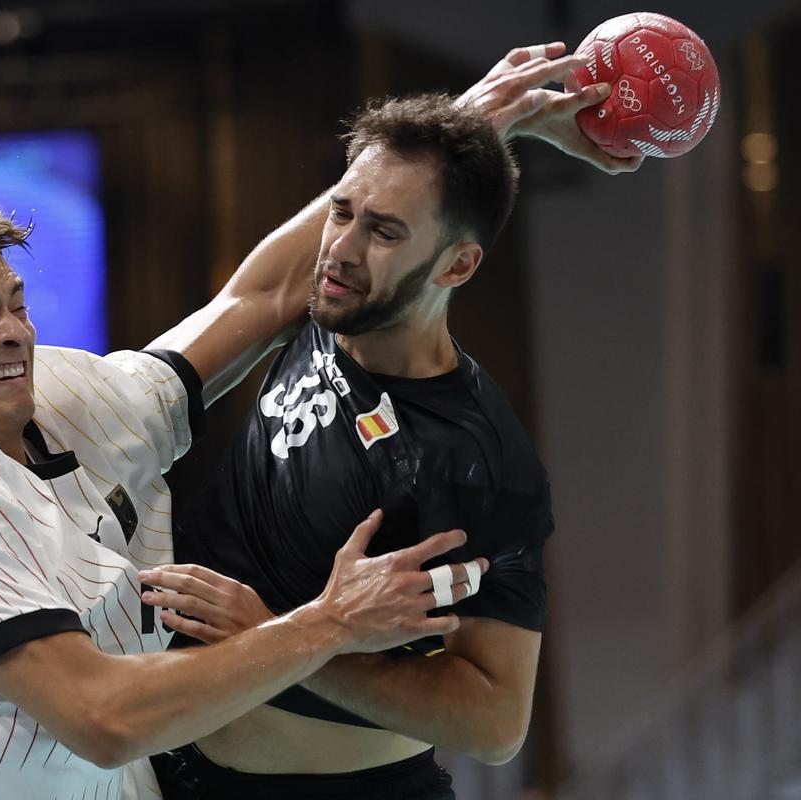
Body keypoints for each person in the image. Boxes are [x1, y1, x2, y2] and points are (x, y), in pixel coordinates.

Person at [0, 190, 482, 800]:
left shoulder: (65, 398)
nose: (14, 332)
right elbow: (102, 715)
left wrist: (466, 130)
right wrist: (331, 621)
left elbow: (263, 299)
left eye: (17, 303)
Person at [139, 43, 639, 799]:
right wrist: (485, 117)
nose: (338, 249)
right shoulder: (314, 313)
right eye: (339, 211)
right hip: (183, 775)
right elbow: (266, 285)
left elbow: (498, 722)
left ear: (457, 267)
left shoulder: (475, 461)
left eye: (384, 232)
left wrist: (276, 641)